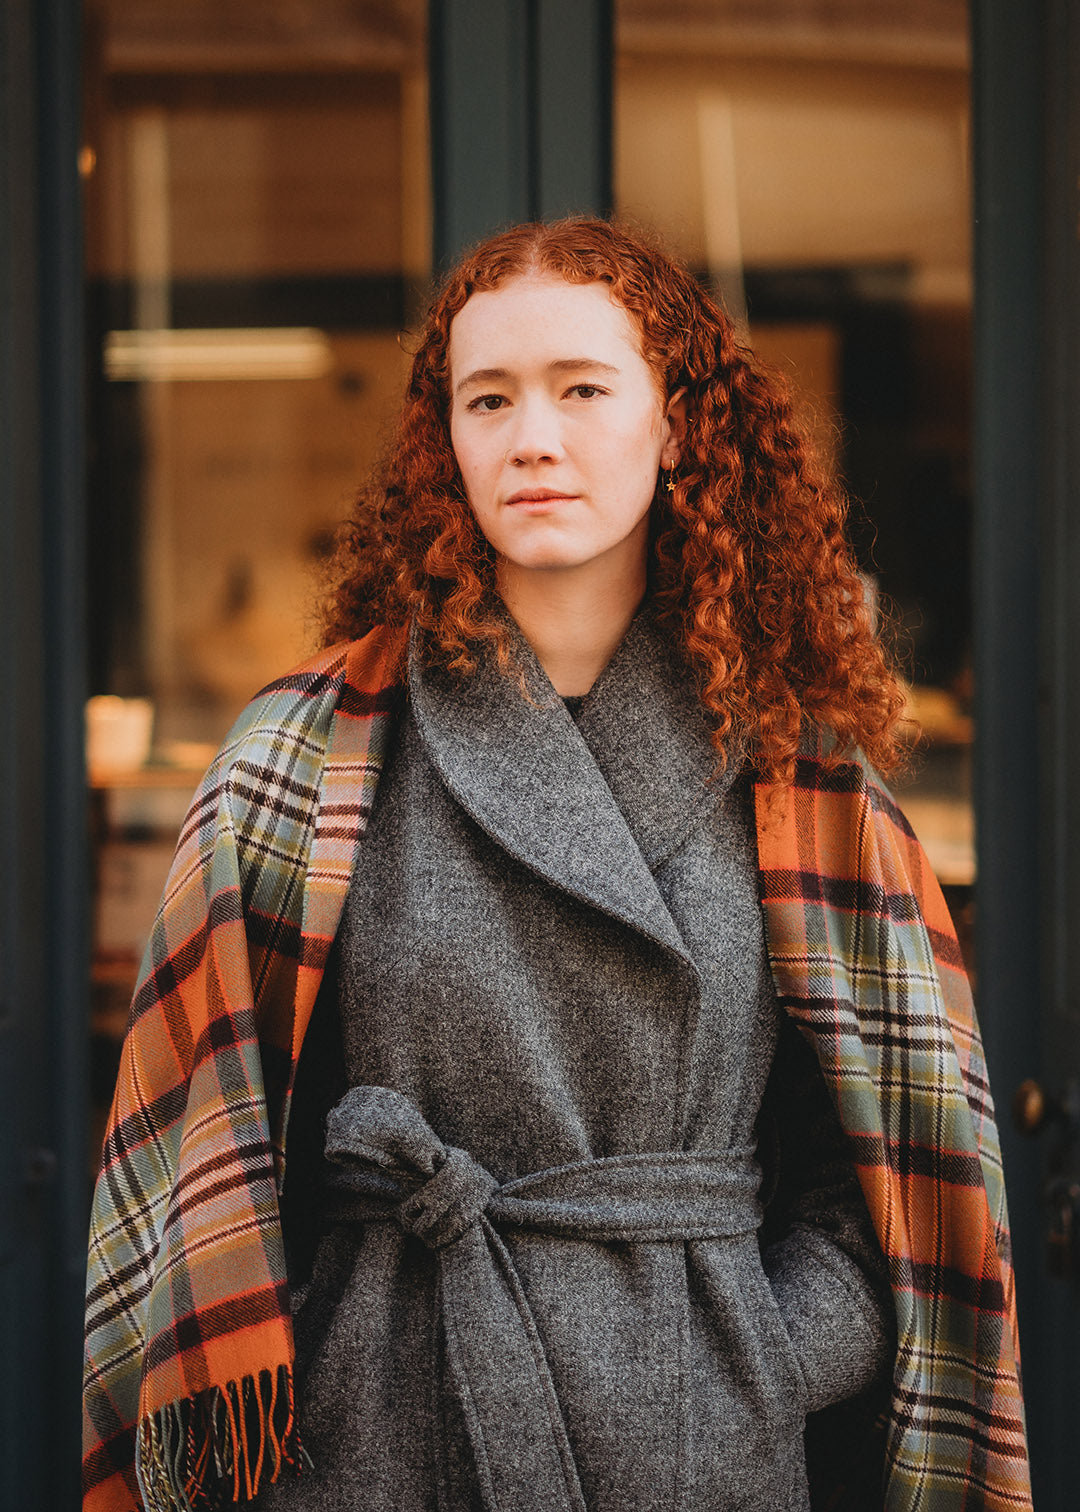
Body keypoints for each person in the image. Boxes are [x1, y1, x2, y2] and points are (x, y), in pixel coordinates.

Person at [83, 219, 1030, 1512]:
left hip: (695, 1448)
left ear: (678, 423)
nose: (533, 435)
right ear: (446, 442)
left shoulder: (805, 785)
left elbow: (887, 1187)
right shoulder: (299, 759)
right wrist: (347, 1358)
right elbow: (218, 1163)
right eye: (489, 399)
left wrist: (746, 1354)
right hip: (383, 1443)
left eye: (583, 388)